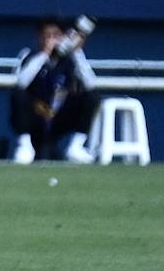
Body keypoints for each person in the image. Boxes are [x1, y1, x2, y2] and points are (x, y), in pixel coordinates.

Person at [11, 16, 100, 164]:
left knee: (92, 97)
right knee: (18, 95)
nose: (52, 39)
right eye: (47, 35)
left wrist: (77, 52)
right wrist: (44, 54)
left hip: (60, 114)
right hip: (36, 113)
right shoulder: (28, 55)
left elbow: (91, 84)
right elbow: (21, 82)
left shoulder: (71, 59)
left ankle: (76, 147)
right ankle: (24, 147)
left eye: (56, 35)